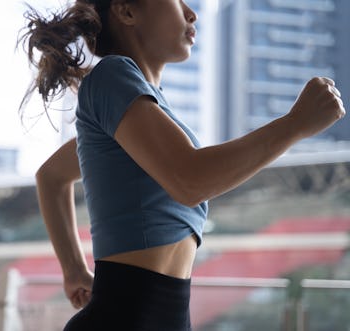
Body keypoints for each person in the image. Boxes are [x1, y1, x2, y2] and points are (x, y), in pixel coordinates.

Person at [19, 1, 346, 330]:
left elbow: (52, 177)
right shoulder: (112, 76)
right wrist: (295, 124)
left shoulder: (142, 113)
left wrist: (74, 269)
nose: (192, 14)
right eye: (178, 1)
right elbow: (189, 180)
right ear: (127, 12)